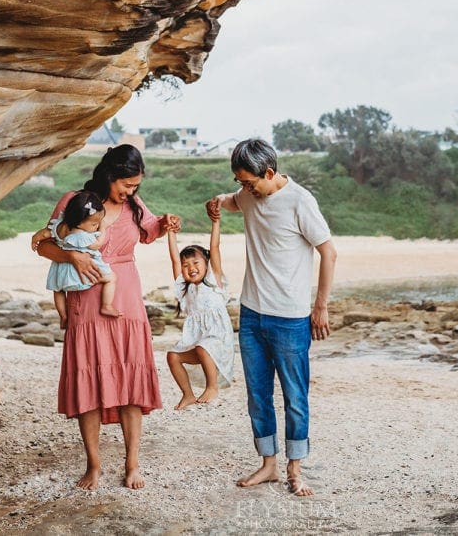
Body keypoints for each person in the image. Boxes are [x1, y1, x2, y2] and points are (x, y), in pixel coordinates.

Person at [32, 144, 180, 491]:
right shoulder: (76, 200)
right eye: (126, 185)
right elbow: (43, 243)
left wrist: (166, 223)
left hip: (125, 298)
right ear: (110, 174)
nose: (131, 191)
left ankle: (132, 465)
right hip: (84, 301)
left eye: (135, 186)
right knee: (89, 382)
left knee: (130, 384)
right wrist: (74, 259)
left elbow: (150, 232)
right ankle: (94, 466)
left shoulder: (134, 206)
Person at [205, 138, 337, 497]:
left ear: (269, 172)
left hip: (291, 319)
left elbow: (329, 252)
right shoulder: (248, 195)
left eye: (249, 181)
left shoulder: (300, 201)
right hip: (252, 314)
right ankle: (269, 464)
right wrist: (215, 203)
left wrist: (320, 305)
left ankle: (296, 469)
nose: (244, 189)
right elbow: (228, 202)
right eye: (239, 182)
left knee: (295, 396)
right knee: (258, 394)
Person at [165, 213, 235, 410]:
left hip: (218, 340)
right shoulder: (184, 289)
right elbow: (174, 260)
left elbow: (214, 248)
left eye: (196, 263)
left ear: (206, 264)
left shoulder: (214, 282)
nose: (191, 268)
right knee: (173, 356)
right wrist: (170, 232)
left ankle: (212, 387)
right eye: (186, 265)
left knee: (204, 347)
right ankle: (187, 395)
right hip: (198, 342)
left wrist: (216, 222)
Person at [32, 190, 118, 328]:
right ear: (79, 222)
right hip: (79, 273)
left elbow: (44, 233)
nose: (96, 226)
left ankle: (63, 316)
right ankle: (106, 305)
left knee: (58, 290)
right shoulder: (81, 235)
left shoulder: (59, 227)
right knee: (111, 278)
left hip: (60, 271)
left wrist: (35, 238)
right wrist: (103, 228)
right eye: (94, 224)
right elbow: (97, 244)